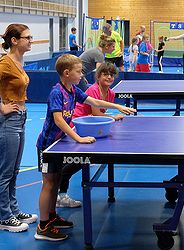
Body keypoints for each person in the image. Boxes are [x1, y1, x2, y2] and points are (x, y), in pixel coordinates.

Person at [35, 54, 135, 241]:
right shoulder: (57, 92)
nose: (82, 75)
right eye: (79, 71)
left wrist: (116, 106)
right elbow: (58, 120)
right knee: (48, 184)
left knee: (56, 180)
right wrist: (78, 138)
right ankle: (42, 226)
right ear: (67, 73)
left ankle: (52, 217)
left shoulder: (73, 90)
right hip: (47, 146)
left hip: (59, 142)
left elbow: (94, 102)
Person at [53, 63, 124, 208]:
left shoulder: (111, 93)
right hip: (77, 127)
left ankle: (59, 190)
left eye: (111, 75)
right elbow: (97, 112)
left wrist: (112, 112)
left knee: (78, 162)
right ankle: (58, 191)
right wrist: (113, 116)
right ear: (98, 76)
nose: (109, 77)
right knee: (75, 162)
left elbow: (99, 112)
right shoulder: (92, 90)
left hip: (92, 128)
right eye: (105, 74)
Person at [0, 23, 38, 233]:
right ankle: (4, 217)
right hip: (9, 120)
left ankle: (13, 210)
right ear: (15, 41)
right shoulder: (5, 63)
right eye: (27, 38)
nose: (31, 41)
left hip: (21, 117)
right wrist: (1, 107)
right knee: (5, 172)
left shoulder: (18, 60)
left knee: (14, 171)